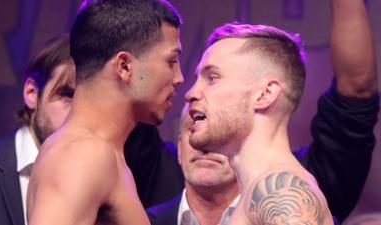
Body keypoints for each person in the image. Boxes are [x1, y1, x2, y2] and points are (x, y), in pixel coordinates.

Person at [148, 0, 379, 224]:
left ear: (265, 94)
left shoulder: (284, 194)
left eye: (212, 78)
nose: (190, 93)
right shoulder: (259, 196)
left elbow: (356, 97)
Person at [0, 33, 184, 225]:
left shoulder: (126, 164)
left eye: (88, 97)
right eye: (68, 95)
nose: (79, 109)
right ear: (32, 93)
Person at [26, 0, 183, 225]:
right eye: (171, 61)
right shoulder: (83, 154)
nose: (179, 78)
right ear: (124, 66)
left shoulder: (96, 152)